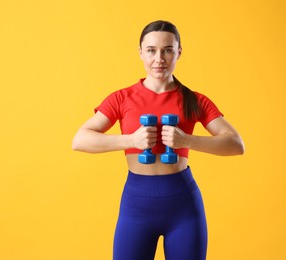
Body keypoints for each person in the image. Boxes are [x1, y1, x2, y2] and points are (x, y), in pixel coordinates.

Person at [72, 20, 244, 260]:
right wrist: (130, 140)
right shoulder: (122, 98)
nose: (159, 58)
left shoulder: (195, 100)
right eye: (151, 50)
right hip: (136, 206)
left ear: (179, 52)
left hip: (183, 206)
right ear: (141, 52)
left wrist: (187, 140)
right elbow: (80, 140)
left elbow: (236, 144)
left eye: (168, 50)